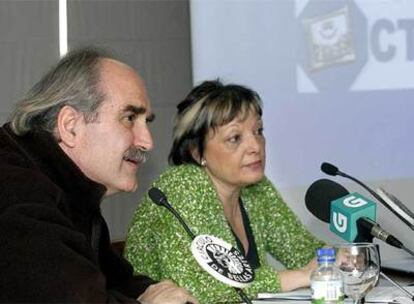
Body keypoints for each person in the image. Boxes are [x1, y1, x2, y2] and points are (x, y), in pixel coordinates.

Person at [0, 47, 198, 304]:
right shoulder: (15, 191)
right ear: (70, 126)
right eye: (129, 118)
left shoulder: (72, 191)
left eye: (146, 122)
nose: (147, 142)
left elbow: (118, 282)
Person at [124, 80, 325, 304]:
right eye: (234, 138)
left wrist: (341, 260)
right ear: (197, 152)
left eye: (258, 131)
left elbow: (305, 253)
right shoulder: (181, 187)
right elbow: (200, 288)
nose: (255, 146)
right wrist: (297, 277)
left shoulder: (256, 188)